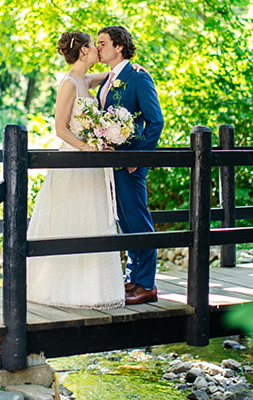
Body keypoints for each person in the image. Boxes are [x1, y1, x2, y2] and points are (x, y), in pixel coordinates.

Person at [26, 31, 126, 310]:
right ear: (83, 51)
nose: (98, 49)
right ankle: (60, 290)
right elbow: (60, 129)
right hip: (74, 160)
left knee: (92, 222)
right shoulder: (69, 83)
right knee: (70, 221)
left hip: (91, 164)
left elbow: (112, 75)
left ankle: (91, 290)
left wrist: (132, 67)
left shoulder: (85, 80)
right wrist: (86, 146)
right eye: (94, 46)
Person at [97, 25, 164, 305]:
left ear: (119, 46)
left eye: (103, 43)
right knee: (124, 221)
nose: (98, 47)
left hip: (131, 163)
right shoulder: (109, 78)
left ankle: (147, 285)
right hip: (111, 162)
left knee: (137, 219)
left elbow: (155, 120)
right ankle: (133, 279)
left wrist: (139, 158)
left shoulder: (137, 77)